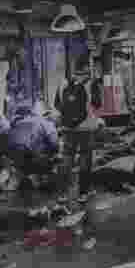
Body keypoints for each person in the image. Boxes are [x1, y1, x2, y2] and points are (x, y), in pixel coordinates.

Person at [54, 59, 100, 197]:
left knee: (67, 159)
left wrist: (68, 117)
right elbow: (97, 104)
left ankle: (62, 194)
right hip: (86, 128)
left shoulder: (63, 83)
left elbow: (57, 105)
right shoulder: (91, 83)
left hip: (68, 128)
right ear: (87, 67)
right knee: (85, 159)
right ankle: (83, 193)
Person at [6, 104, 59, 187]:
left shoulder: (17, 123)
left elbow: (9, 141)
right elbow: (54, 144)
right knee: (55, 157)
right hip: (34, 159)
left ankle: (22, 177)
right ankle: (41, 178)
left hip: (14, 160)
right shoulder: (46, 122)